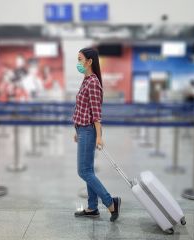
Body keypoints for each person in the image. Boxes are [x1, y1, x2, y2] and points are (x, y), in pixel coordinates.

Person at [73, 47, 121, 221]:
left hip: (88, 130)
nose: (78, 63)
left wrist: (99, 136)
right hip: (82, 129)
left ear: (89, 61)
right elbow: (81, 107)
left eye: (80, 59)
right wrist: (76, 128)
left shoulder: (93, 82)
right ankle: (93, 208)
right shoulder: (86, 80)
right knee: (88, 170)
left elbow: (96, 113)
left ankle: (111, 202)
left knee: (83, 171)